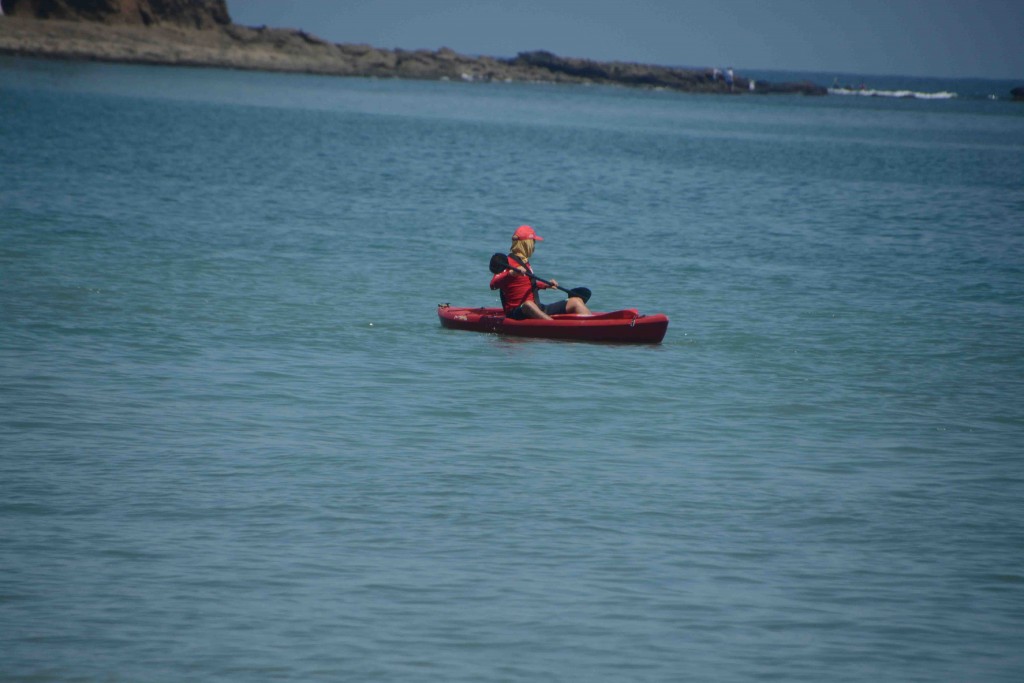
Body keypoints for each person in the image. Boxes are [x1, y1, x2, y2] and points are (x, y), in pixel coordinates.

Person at [489, 225, 591, 320]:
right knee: (528, 304)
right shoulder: (507, 263)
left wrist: (546, 285)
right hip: (518, 312)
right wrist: (511, 273)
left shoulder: (525, 262)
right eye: (533, 242)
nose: (534, 246)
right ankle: (554, 326)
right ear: (526, 244)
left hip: (537, 308)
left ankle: (592, 324)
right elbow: (493, 284)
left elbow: (525, 284)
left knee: (576, 301)